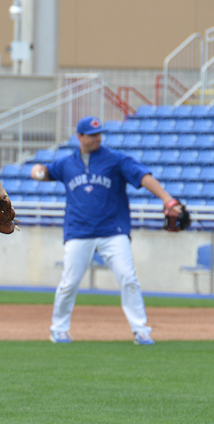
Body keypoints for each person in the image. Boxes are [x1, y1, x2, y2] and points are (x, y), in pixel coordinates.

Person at [31, 116, 184, 345]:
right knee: (69, 282)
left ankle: (140, 330)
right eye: (92, 135)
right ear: (80, 137)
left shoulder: (115, 159)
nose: (97, 138)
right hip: (78, 231)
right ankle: (59, 329)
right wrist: (37, 170)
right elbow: (44, 172)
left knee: (128, 278)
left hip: (113, 230)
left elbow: (143, 176)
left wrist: (167, 199)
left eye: (99, 133)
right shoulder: (67, 164)